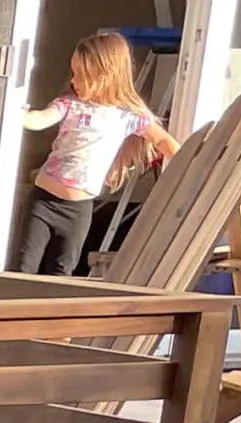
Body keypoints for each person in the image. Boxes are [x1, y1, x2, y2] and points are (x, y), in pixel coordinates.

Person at [16, 31, 178, 275]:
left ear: (106, 75)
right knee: (22, 268)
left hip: (78, 211)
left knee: (61, 274)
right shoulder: (70, 104)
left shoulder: (128, 116)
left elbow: (163, 140)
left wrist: (192, 160)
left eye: (81, 74)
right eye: (73, 72)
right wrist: (22, 115)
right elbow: (41, 119)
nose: (73, 81)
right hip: (43, 202)